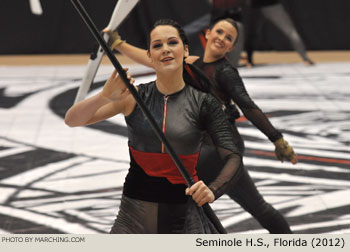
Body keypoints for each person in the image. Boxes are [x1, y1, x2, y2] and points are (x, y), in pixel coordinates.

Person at [106, 17, 297, 233]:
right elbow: (150, 58)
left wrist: (277, 138)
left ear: (232, 47)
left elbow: (248, 106)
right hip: (198, 148)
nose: (222, 39)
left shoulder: (225, 72)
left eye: (229, 38)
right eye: (219, 32)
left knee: (255, 206)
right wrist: (117, 44)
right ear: (207, 33)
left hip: (219, 151)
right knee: (185, 206)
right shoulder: (191, 62)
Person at [65, 19, 243, 234]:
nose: (165, 49)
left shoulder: (204, 102)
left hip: (183, 216)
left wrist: (213, 190)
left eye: (172, 43)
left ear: (185, 50)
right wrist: (103, 96)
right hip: (132, 215)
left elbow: (233, 156)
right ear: (149, 55)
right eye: (157, 45)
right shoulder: (133, 97)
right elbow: (72, 119)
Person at [244, 0, 315, 66]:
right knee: (252, 34)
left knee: (291, 33)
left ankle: (305, 58)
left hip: (265, 6)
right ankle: (306, 59)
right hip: (261, 7)